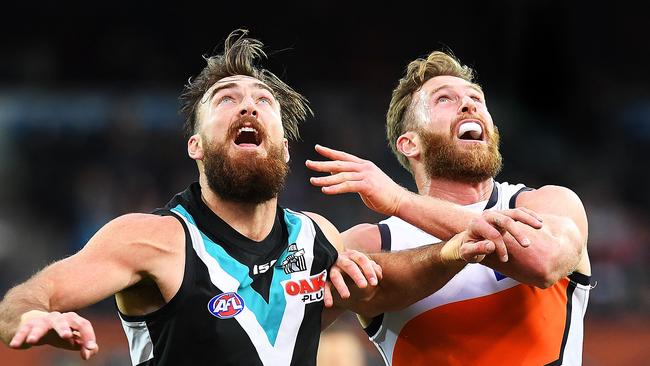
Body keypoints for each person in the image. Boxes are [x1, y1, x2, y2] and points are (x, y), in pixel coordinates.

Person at [0, 32, 541, 366]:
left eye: (263, 102)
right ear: (195, 144)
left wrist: (449, 253)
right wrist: (34, 318)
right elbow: (26, 297)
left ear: (282, 144)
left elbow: (384, 281)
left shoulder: (315, 236)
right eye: (226, 98)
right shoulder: (152, 238)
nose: (248, 107)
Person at [307, 50, 591, 365]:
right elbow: (287, 329)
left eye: (476, 98)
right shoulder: (372, 243)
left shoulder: (547, 203)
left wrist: (401, 201)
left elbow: (543, 262)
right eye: (444, 99)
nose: (470, 104)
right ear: (409, 143)